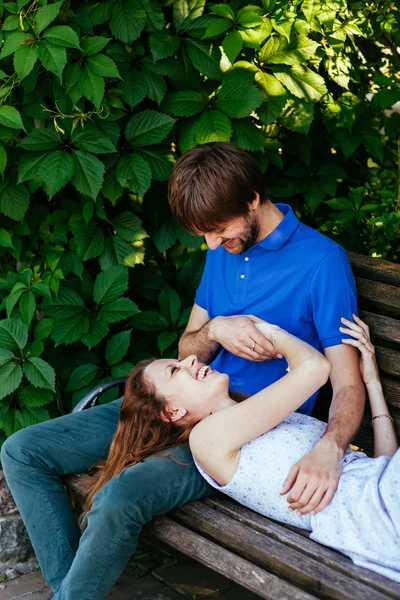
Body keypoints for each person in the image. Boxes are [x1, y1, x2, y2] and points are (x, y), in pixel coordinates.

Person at [1, 141, 364, 599]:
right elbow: (189, 343)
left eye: (218, 231)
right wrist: (217, 327)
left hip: (238, 433)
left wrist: (332, 446)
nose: (213, 245)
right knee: (22, 452)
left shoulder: (321, 262)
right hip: (182, 397)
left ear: (252, 198)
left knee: (119, 500)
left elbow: (347, 380)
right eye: (205, 235)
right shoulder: (222, 248)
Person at [81, 316, 399, 582]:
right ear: (173, 412)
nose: (191, 359)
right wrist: (265, 328)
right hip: (371, 512)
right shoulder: (207, 439)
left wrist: (371, 381)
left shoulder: (254, 416)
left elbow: (378, 466)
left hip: (381, 493)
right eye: (175, 370)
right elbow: (315, 368)